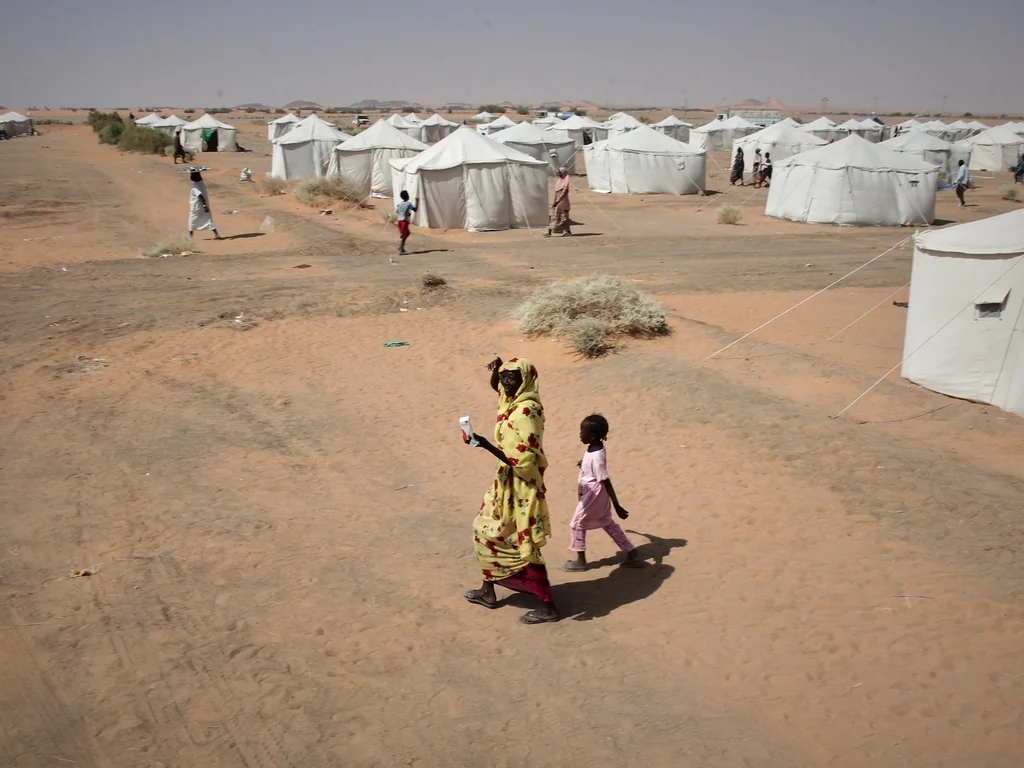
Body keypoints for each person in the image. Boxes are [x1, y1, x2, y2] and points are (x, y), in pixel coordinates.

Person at [464, 357, 559, 624]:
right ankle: (488, 590)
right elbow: (498, 388)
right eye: (504, 377)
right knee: (484, 530)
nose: (505, 382)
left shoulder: (527, 411)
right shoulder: (513, 401)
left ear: (525, 380)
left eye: (512, 377)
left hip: (523, 487)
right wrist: (497, 371)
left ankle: (548, 606)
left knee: (522, 543)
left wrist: (486, 445)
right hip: (504, 482)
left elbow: (523, 461)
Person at [563, 415, 641, 572]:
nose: (580, 434)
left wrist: (617, 505)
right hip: (596, 493)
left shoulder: (597, 456)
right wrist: (584, 464)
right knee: (606, 521)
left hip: (594, 494)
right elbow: (592, 464)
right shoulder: (595, 447)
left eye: (582, 432)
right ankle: (631, 552)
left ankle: (580, 561)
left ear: (592, 436)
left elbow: (606, 480)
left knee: (577, 523)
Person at [187, 170, 221, 240]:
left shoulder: (195, 186)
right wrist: (205, 206)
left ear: (196, 176)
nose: (190, 177)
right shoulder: (201, 183)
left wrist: (204, 206)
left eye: (192, 175)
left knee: (192, 220)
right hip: (203, 205)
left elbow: (200, 196)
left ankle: (190, 237)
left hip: (197, 207)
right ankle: (216, 234)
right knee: (208, 219)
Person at [545, 166, 572, 237]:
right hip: (557, 203)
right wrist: (555, 202)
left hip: (563, 203)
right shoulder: (559, 182)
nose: (559, 174)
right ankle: (549, 232)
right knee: (554, 217)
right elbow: (556, 194)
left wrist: (557, 201)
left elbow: (563, 193)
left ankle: (568, 232)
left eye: (560, 173)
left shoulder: (565, 183)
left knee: (564, 219)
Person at [395, 190, 418, 255]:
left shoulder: (400, 204)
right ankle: (401, 250)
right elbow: (415, 209)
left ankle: (401, 246)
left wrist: (406, 214)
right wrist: (417, 202)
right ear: (407, 196)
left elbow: (397, 211)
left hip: (400, 221)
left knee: (407, 233)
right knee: (405, 235)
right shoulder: (408, 204)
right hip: (404, 221)